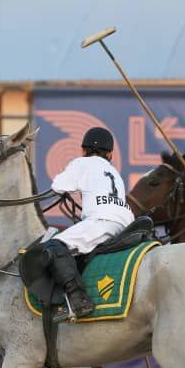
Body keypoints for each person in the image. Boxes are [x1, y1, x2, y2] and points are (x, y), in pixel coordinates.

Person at [46, 127, 134, 323]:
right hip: (127, 223)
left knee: (54, 245)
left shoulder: (82, 162)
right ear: (110, 154)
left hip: (102, 221)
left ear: (83, 150)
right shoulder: (114, 172)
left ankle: (78, 300)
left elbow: (58, 186)